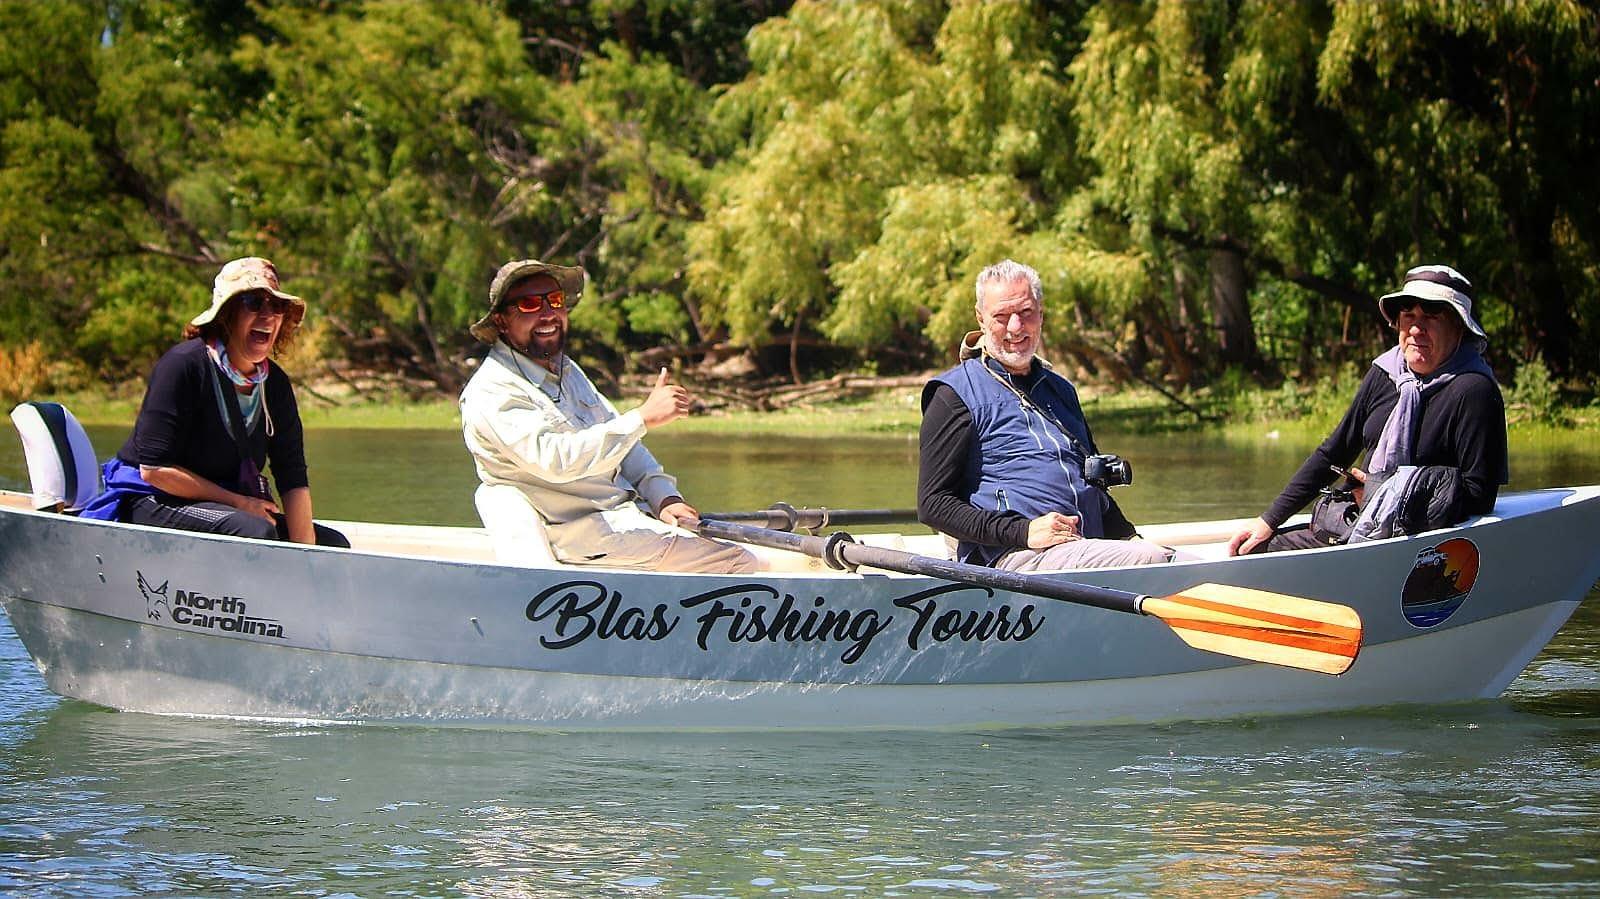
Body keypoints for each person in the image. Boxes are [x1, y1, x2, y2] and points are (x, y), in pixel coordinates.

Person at [459, 259, 757, 573]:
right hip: (579, 535)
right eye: (530, 304)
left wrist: (665, 498)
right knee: (741, 562)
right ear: (501, 321)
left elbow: (628, 449)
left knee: (751, 553)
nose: (548, 313)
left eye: (555, 300)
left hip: (622, 521)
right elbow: (556, 461)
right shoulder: (493, 391)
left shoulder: (566, 370)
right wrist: (642, 418)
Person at [1228, 264, 1508, 555]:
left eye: (1431, 317)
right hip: (1358, 525)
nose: (1416, 329)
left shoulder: (1475, 391)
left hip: (1418, 545)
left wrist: (1386, 490)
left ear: (1459, 328)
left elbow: (1479, 496)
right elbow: (1334, 452)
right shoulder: (1385, 373)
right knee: (1252, 550)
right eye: (1408, 316)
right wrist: (1269, 520)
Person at [917, 259, 1172, 571]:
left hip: (1085, 549)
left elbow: (1094, 489)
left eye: (1025, 313)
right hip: (1012, 558)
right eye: (1001, 316)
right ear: (981, 319)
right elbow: (933, 505)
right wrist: (1023, 532)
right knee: (1152, 561)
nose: (1015, 327)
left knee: (1180, 560)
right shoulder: (952, 395)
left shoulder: (1061, 391)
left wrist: (1130, 537)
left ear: (1041, 314)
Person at [80, 257, 349, 547]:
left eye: (277, 306)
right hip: (150, 496)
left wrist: (308, 554)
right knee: (257, 532)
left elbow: (291, 473)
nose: (268, 315)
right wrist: (239, 503)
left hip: (228, 506)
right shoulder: (183, 366)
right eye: (253, 302)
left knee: (332, 543)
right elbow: (154, 470)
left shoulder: (275, 385)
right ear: (226, 314)